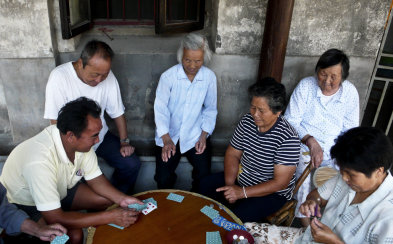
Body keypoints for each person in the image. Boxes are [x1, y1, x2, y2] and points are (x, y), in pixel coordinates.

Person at [0, 97, 143, 244]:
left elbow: (95, 179)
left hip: (61, 188)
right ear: (71, 136)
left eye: (98, 133)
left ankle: (81, 220)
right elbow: (54, 218)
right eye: (94, 135)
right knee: (72, 236)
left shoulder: (80, 144)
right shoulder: (40, 161)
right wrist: (111, 217)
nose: (98, 140)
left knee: (108, 200)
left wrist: (122, 199)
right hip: (27, 203)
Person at [245, 127, 393, 244]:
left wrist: (334, 242)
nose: (344, 178)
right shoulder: (347, 178)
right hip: (306, 239)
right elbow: (317, 196)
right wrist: (312, 202)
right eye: (342, 171)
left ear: (378, 171)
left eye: (351, 175)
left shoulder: (392, 217)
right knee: (244, 231)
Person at [44, 40, 140, 195]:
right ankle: (96, 208)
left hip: (100, 137)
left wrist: (124, 142)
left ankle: (117, 200)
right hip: (73, 142)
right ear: (81, 63)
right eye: (95, 75)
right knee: (76, 180)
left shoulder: (106, 76)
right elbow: (55, 123)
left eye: (104, 75)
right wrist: (68, 154)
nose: (99, 80)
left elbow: (117, 113)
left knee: (131, 163)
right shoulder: (59, 77)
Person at [199, 78, 300, 222]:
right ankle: (201, 227)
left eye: (261, 110)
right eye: (253, 107)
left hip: (271, 193)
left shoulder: (288, 138)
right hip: (242, 179)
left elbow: (280, 183)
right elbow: (233, 154)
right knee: (204, 185)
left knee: (235, 217)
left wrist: (242, 193)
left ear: (278, 111)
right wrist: (230, 186)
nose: (255, 114)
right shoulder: (247, 121)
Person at [284, 48, 359, 226]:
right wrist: (311, 141)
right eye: (323, 74)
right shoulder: (306, 86)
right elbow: (290, 120)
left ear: (343, 77)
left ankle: (330, 222)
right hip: (304, 146)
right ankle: (306, 224)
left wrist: (342, 155)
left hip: (335, 148)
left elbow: (350, 130)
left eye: (334, 77)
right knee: (303, 175)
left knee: (345, 178)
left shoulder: (350, 93)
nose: (326, 81)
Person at [153, 33, 217, 192]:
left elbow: (210, 109)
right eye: (188, 60)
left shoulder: (209, 77)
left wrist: (203, 136)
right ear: (181, 56)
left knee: (203, 176)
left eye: (198, 61)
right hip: (170, 134)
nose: (193, 65)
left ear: (204, 59)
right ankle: (169, 207)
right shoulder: (168, 77)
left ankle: (195, 207)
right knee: (163, 177)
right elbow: (160, 109)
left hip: (195, 134)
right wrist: (166, 139)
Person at [0, 182, 66, 243]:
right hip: (24, 205)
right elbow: (56, 217)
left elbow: (5, 213)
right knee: (73, 236)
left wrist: (38, 230)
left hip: (31, 207)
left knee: (62, 238)